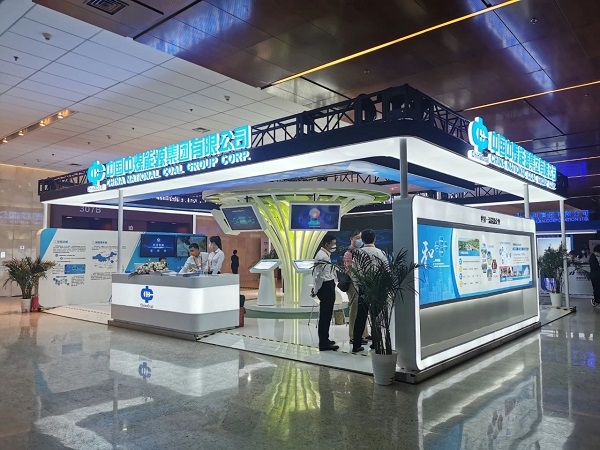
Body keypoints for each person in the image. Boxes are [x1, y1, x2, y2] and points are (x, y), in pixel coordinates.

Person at [351, 228, 387, 353]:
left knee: (360, 317)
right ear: (375, 239)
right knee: (376, 316)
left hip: (363, 287)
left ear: (362, 240)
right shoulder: (380, 253)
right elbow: (386, 271)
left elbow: (354, 273)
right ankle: (376, 343)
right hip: (377, 288)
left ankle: (356, 344)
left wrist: (358, 287)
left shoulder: (358, 253)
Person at [312, 234, 339, 351]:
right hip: (325, 287)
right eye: (333, 243)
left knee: (327, 316)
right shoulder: (322, 256)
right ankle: (323, 343)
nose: (335, 246)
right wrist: (316, 290)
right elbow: (320, 276)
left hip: (328, 285)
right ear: (327, 244)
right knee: (325, 316)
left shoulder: (325, 254)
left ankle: (325, 339)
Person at [344, 230, 368, 345]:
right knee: (354, 310)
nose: (359, 240)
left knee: (362, 310)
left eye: (361, 238)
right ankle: (353, 336)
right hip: (353, 284)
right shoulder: (349, 253)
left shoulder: (360, 251)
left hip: (361, 283)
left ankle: (364, 334)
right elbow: (349, 270)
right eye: (357, 238)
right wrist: (357, 282)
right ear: (351, 239)